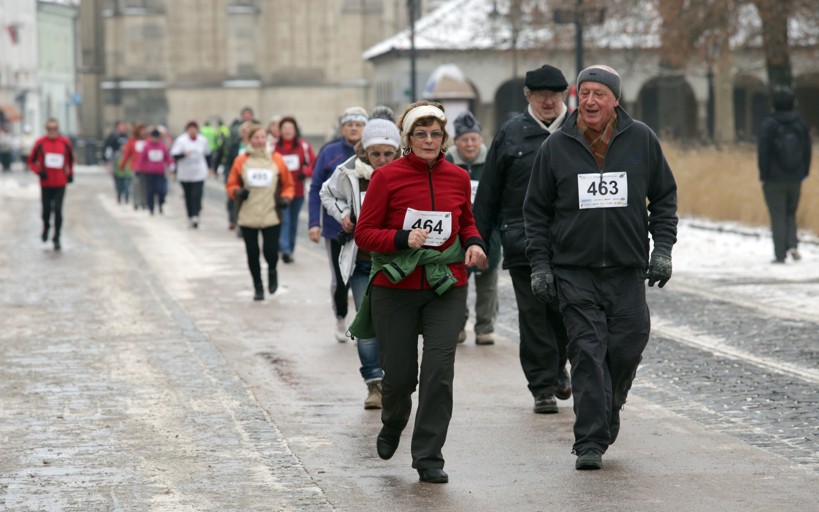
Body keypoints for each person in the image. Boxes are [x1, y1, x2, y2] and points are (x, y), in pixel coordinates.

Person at [523, 65, 678, 470]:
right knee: (587, 353)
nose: (590, 101)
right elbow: (535, 213)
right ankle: (589, 442)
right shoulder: (556, 147)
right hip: (575, 271)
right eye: (585, 93)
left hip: (627, 270)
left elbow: (664, 198)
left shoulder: (641, 139)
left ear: (615, 100)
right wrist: (540, 266)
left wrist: (662, 249)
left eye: (599, 94)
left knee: (627, 348)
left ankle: (610, 405)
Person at [350, 101, 488, 484]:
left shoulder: (458, 177)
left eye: (436, 133)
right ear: (407, 139)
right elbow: (364, 233)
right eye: (420, 134)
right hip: (396, 287)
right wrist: (400, 237)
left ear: (444, 139)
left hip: (447, 285)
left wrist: (474, 243)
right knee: (400, 378)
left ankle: (429, 455)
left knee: (439, 372)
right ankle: (393, 421)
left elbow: (467, 224)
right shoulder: (387, 178)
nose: (429, 140)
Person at [473, 64, 572, 414]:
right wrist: (478, 241)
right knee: (533, 317)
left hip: (572, 244)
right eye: (541, 95)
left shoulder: (579, 131)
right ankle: (542, 386)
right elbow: (488, 194)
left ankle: (559, 364)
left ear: (565, 96)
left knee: (566, 313)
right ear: (528, 96)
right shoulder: (511, 134)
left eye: (555, 95)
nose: (549, 102)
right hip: (522, 243)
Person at [319, 118, 401, 410]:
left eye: (387, 153)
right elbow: (326, 192)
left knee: (396, 325)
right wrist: (342, 213)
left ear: (397, 151)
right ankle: (373, 384)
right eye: (374, 153)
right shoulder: (349, 172)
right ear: (365, 151)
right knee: (366, 322)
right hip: (363, 260)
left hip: (398, 261)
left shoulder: (406, 173)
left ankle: (395, 380)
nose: (380, 159)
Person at [308, 106, 368, 342]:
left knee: (365, 275)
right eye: (349, 123)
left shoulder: (375, 152)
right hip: (336, 231)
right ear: (342, 127)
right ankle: (341, 316)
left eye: (358, 123)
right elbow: (316, 189)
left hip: (368, 229)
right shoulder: (329, 152)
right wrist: (314, 222)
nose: (354, 127)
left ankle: (363, 322)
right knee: (341, 277)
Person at [445, 110, 500, 345]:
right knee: (457, 282)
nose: (469, 144)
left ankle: (485, 327)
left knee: (488, 282)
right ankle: (458, 325)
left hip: (488, 232)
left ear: (481, 139)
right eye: (464, 139)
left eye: (473, 139)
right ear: (456, 142)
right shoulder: (446, 162)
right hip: (456, 236)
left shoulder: (492, 161)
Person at [226, 124, 295, 300]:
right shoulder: (241, 160)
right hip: (247, 213)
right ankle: (258, 286)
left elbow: (288, 184)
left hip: (271, 213)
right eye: (256, 137)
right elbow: (231, 184)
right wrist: (237, 192)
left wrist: (286, 198)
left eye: (263, 137)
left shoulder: (277, 159)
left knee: (270, 251)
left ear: (267, 139)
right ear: (249, 140)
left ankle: (272, 270)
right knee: (252, 253)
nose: (260, 141)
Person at [757, 86, 812, 263]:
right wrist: (804, 171)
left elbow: (763, 151)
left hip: (774, 177)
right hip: (795, 176)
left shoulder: (769, 124)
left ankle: (780, 253)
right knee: (791, 212)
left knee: (777, 214)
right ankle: (793, 244)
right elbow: (807, 149)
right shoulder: (800, 123)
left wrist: (763, 174)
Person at [272, 116, 315, 263]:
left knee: (294, 221)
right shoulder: (274, 148)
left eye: (290, 128)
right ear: (280, 131)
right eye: (284, 128)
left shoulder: (303, 146)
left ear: (295, 130)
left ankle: (290, 249)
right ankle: (284, 249)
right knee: (284, 219)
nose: (287, 131)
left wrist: (306, 173)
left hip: (298, 190)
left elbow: (313, 164)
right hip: (281, 191)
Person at [28, 118, 74, 251]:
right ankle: (46, 226)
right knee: (46, 210)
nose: (52, 131)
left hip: (60, 182)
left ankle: (57, 237)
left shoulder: (65, 142)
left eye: (55, 129)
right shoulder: (40, 143)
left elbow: (71, 160)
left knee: (58, 210)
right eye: (50, 129)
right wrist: (39, 172)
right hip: (46, 182)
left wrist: (70, 173)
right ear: (46, 129)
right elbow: (31, 161)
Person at [171, 120, 212, 228]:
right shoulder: (181, 140)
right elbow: (174, 155)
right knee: (188, 195)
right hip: (185, 173)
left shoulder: (203, 140)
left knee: (197, 194)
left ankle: (196, 214)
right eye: (190, 129)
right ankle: (190, 215)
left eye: (195, 129)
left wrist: (210, 167)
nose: (193, 131)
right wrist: (183, 155)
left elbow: (208, 154)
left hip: (199, 172)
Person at [136, 128, 173, 215]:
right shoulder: (147, 146)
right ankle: (151, 208)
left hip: (160, 172)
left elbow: (167, 157)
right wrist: (138, 168)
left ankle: (160, 204)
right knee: (150, 190)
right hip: (149, 172)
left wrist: (171, 165)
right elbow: (141, 158)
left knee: (161, 190)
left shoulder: (162, 146)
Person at [120, 123, 149, 210]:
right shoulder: (132, 141)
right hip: (135, 167)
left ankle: (144, 202)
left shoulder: (147, 141)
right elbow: (127, 154)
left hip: (146, 167)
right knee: (136, 185)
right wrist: (122, 165)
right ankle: (136, 202)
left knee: (145, 186)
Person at [103, 121, 131, 203]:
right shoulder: (112, 136)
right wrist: (108, 160)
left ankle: (126, 195)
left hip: (126, 159)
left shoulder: (127, 136)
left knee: (127, 180)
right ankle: (119, 193)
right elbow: (108, 148)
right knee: (118, 179)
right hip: (116, 158)